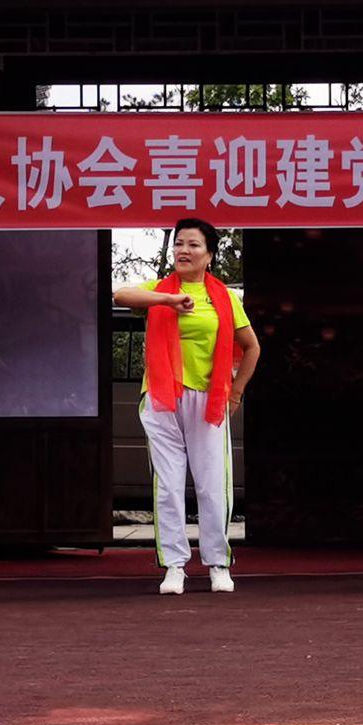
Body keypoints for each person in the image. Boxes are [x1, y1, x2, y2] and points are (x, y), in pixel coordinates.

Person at [111, 218, 261, 594]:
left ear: (209, 255)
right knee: (168, 485)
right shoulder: (158, 290)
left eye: (193, 245)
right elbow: (121, 296)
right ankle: (174, 565)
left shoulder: (224, 298)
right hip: (162, 397)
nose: (183, 250)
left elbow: (252, 348)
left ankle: (218, 563)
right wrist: (168, 300)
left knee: (212, 485)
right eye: (179, 243)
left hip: (208, 399)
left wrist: (236, 393)